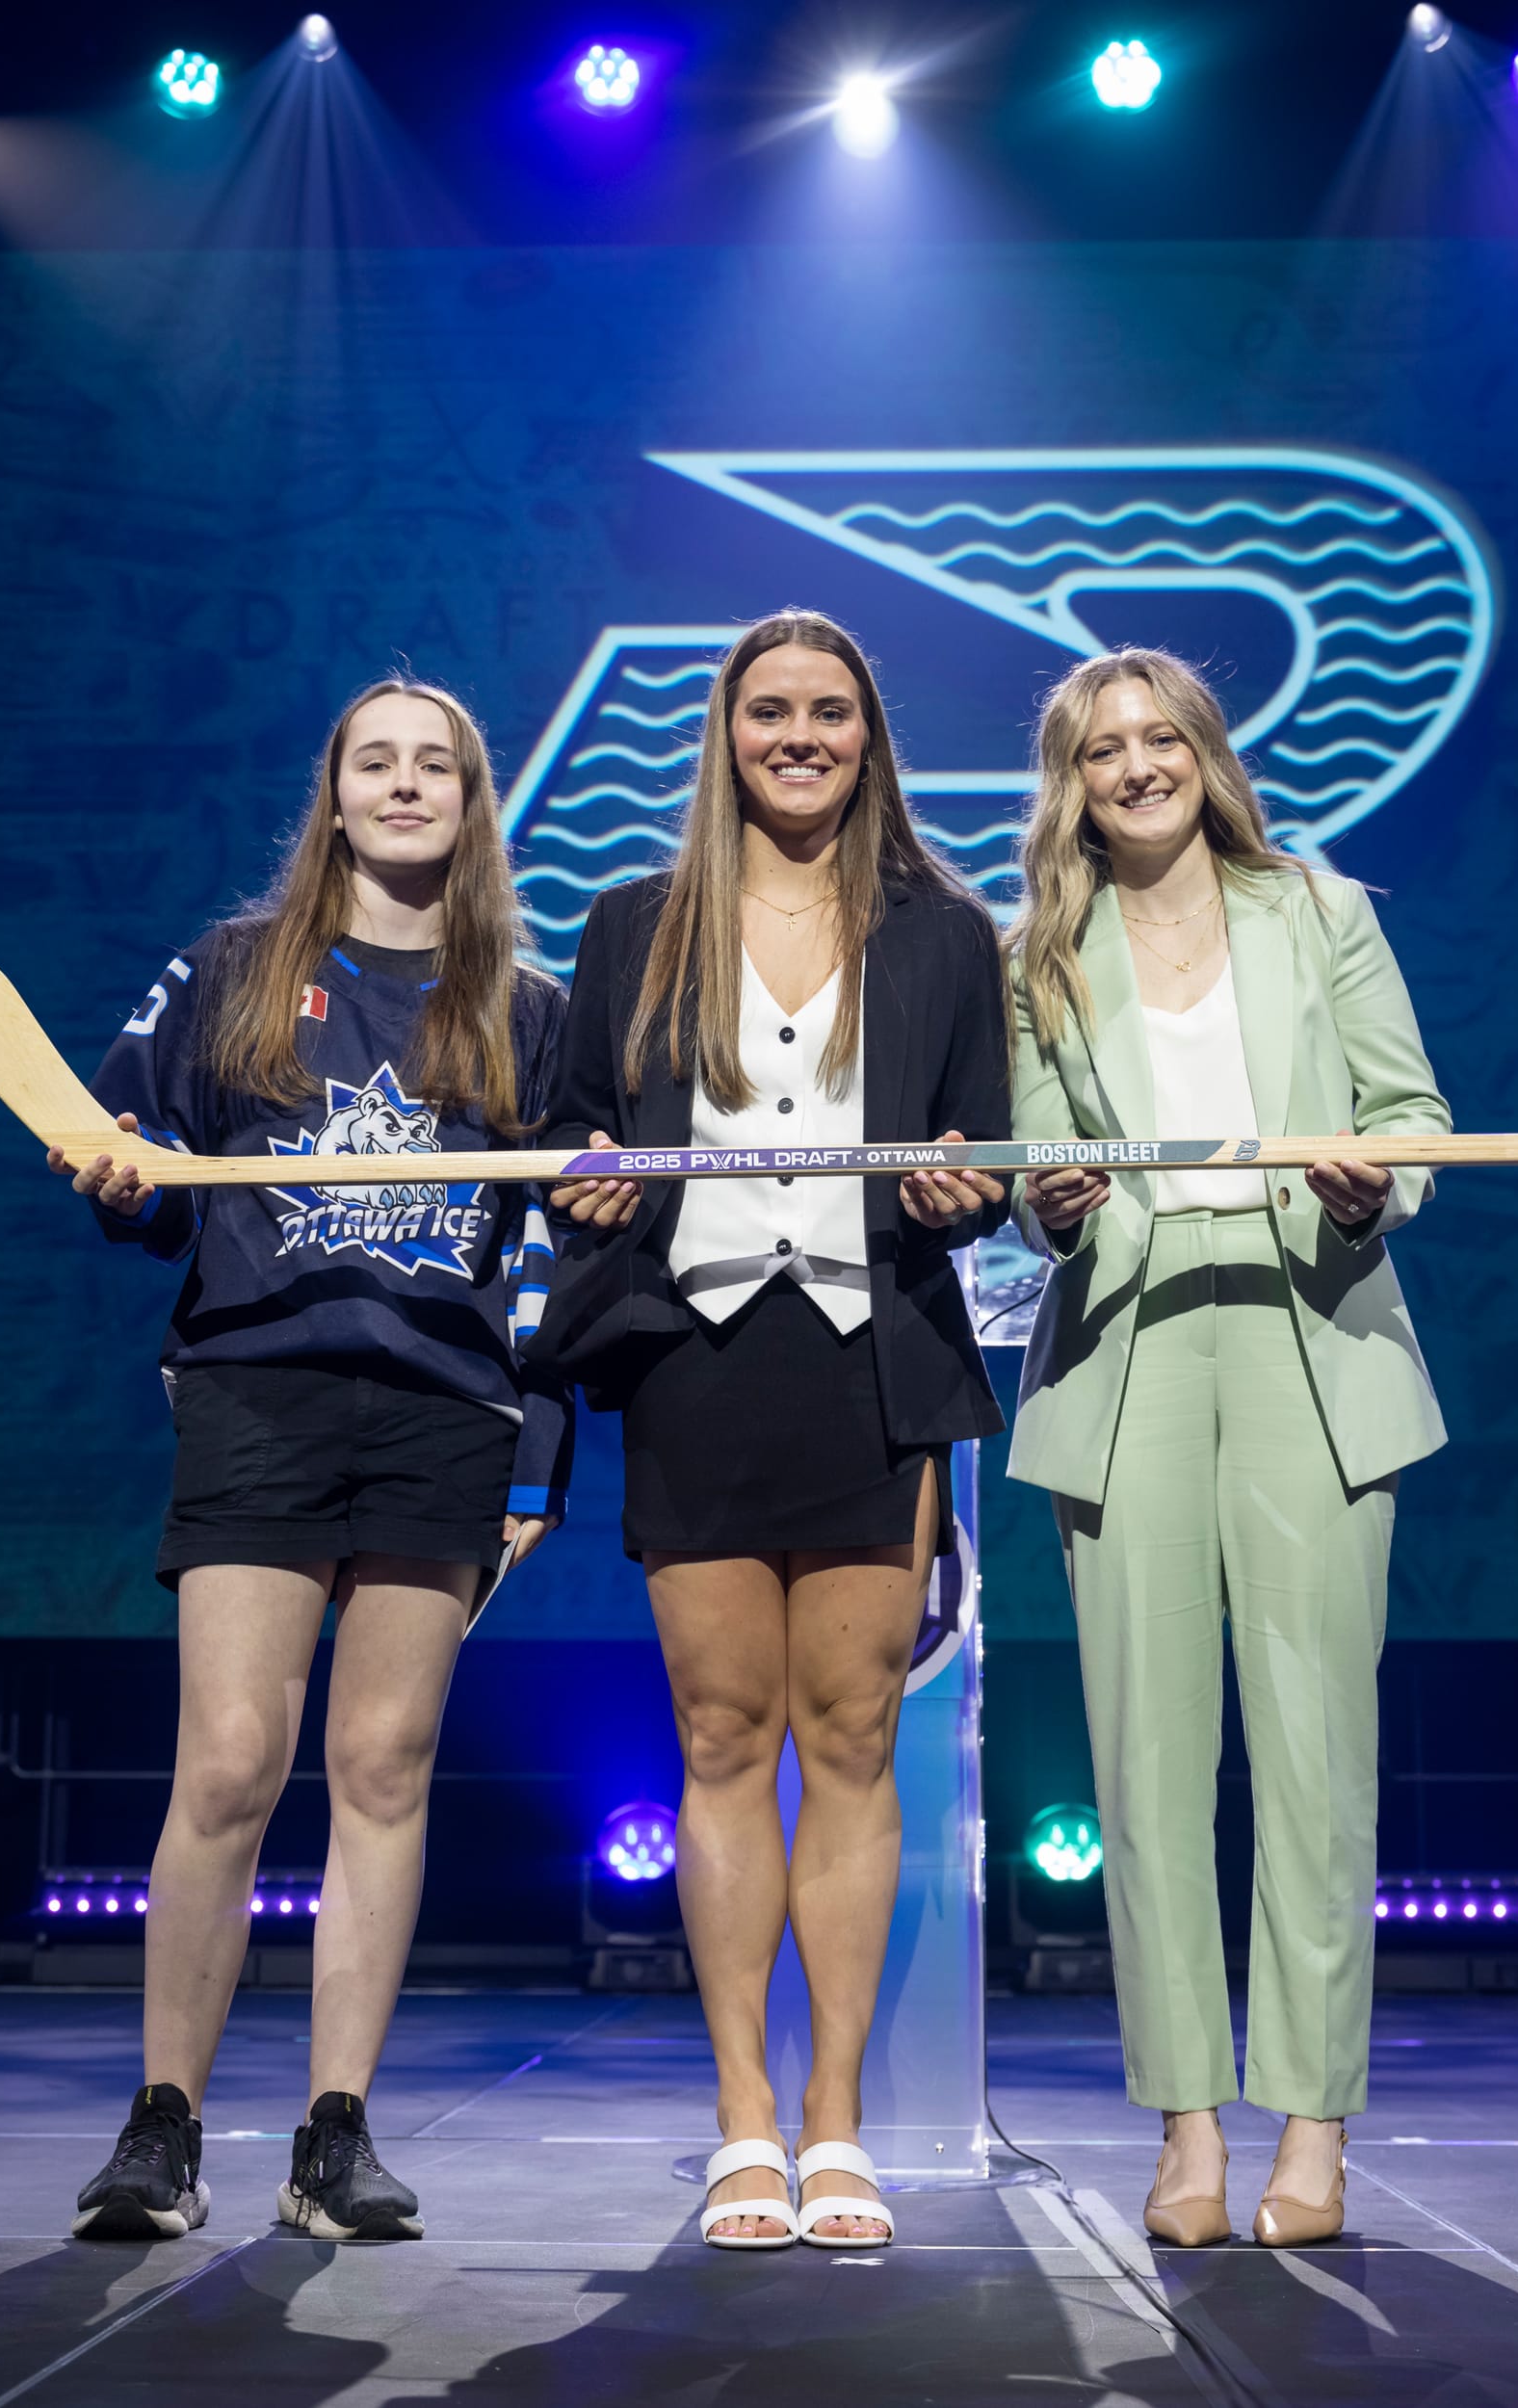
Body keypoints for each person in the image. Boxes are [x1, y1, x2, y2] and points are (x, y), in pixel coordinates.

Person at [56, 678, 569, 2242]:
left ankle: (334, 2135)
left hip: (442, 1412)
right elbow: (140, 1181)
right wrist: (109, 1173)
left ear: (471, 804)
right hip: (259, 1392)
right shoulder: (229, 970)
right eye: (377, 762)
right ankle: (164, 2128)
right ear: (333, 793)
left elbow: (558, 1251)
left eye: (438, 767)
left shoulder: (529, 1011)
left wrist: (537, 1460)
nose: (407, 786)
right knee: (227, 1760)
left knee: (382, 1766)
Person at [532, 611, 1009, 2251]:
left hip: (875, 1366)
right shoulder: (633, 926)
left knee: (854, 1742)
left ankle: (838, 2125)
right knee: (725, 1740)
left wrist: (970, 1181)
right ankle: (744, 2118)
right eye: (768, 714)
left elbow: (992, 1153)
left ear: (869, 737)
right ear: (723, 735)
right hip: (698, 1358)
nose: (798, 737)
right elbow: (570, 1135)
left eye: (829, 714)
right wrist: (588, 1175)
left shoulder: (946, 934)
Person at [1005, 645, 1449, 2249]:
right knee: (1144, 1764)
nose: (1136, 765)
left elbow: (1410, 1120)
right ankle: (1189, 2125)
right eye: (1102, 747)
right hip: (1127, 1348)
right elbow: (1033, 1164)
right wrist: (1045, 1196)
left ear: (1206, 750)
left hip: (1310, 1335)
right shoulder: (1036, 954)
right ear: (1073, 781)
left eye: (1159, 737)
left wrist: (1368, 1184)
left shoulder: (1319, 913)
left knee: (1319, 1758)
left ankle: (1312, 2128)